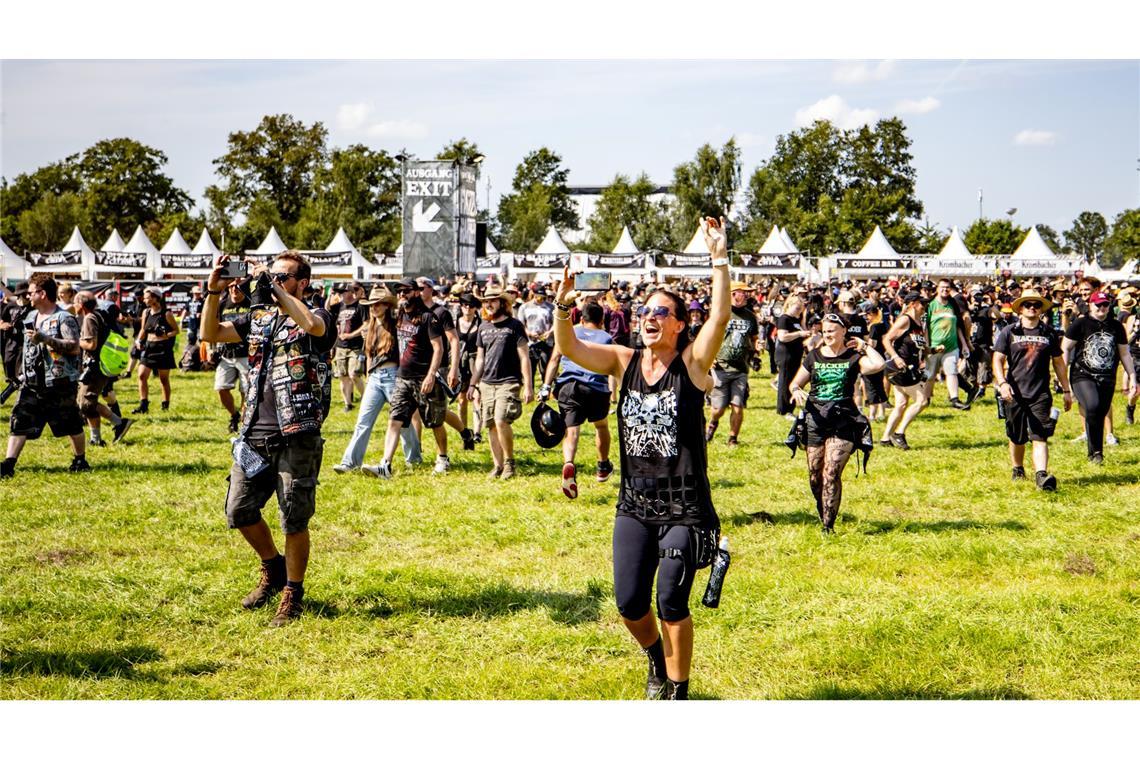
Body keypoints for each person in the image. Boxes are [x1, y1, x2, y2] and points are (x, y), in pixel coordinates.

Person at [552, 216, 730, 701]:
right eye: (644, 310)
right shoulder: (623, 361)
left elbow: (719, 319)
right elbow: (567, 345)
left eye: (661, 311)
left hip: (685, 506)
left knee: (671, 599)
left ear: (677, 324)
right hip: (635, 504)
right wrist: (564, 302)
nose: (649, 315)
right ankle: (655, 655)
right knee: (630, 604)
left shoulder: (692, 364)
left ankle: (679, 691)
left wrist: (719, 257)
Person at [201, 251, 336, 627]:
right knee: (238, 510)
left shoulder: (319, 314)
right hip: (254, 431)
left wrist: (273, 288)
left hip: (298, 432)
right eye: (272, 274)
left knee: (294, 516)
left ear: (302, 283)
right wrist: (213, 293)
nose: (273, 279)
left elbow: (311, 326)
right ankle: (272, 568)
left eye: (283, 276)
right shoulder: (258, 320)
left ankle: (293, 592)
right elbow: (210, 334)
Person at [788, 313, 885, 533]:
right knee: (815, 474)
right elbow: (795, 383)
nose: (827, 334)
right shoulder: (813, 356)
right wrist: (796, 391)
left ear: (844, 331)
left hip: (843, 419)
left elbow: (878, 365)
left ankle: (827, 527)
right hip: (815, 418)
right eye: (824, 331)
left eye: (831, 330)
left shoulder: (853, 356)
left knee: (831, 472)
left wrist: (865, 345)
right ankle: (823, 509)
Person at [1, 274, 89, 479]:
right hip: (32, 381)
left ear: (43, 294)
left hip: (58, 382)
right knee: (19, 419)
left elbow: (74, 347)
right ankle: (8, 464)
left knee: (70, 422)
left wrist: (46, 338)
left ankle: (80, 459)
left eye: (32, 293)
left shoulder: (63, 318)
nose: (28, 296)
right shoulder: (30, 317)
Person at [362, 279, 444, 480]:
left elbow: (439, 348)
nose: (402, 295)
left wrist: (432, 374)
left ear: (416, 292)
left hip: (423, 377)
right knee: (394, 420)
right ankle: (385, 465)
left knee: (434, 422)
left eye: (406, 291)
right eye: (399, 292)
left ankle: (442, 457)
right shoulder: (399, 317)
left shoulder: (428, 317)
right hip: (402, 378)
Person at [992, 288, 1072, 491]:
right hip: (1014, 393)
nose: (1032, 308)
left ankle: (1041, 476)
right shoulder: (1009, 331)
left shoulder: (1049, 333)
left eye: (1037, 305)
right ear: (1020, 308)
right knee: (1017, 437)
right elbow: (998, 359)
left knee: (1040, 435)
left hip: (1040, 393)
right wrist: (1002, 383)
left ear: (1041, 310)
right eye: (1028, 304)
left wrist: (1066, 390)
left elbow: (1058, 362)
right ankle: (1018, 467)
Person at [335, 285, 421, 473]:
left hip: (393, 376)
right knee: (363, 421)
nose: (373, 308)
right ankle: (349, 462)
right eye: (371, 304)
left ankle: (414, 457)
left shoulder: (396, 323)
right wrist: (368, 376)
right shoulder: (370, 326)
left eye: (378, 304)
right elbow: (368, 354)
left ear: (386, 306)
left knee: (402, 420)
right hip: (375, 377)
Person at [540, 300, 614, 499]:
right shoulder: (606, 338)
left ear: (581, 318)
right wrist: (615, 392)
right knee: (601, 426)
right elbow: (611, 367)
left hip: (568, 386)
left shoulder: (569, 332)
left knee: (571, 430)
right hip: (595, 387)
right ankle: (602, 466)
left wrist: (546, 386)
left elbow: (554, 359)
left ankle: (569, 463)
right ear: (602, 320)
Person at [1061, 291, 1138, 464]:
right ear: (1090, 305)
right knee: (1093, 406)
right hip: (1082, 375)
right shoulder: (1081, 323)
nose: (1102, 308)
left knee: (1100, 412)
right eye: (1098, 305)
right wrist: (1062, 373)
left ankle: (1096, 452)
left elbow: (1124, 354)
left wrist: (1132, 378)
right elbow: (1065, 347)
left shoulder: (1116, 326)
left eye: (1105, 305)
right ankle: (1096, 452)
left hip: (1107, 377)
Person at [468, 285, 533, 480]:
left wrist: (528, 385)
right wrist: (473, 384)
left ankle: (509, 463)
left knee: (501, 420)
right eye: (486, 301)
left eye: (493, 300)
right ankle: (497, 465)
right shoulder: (483, 327)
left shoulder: (514, 325)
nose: (488, 304)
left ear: (502, 303)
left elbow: (524, 357)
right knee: (490, 425)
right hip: (487, 382)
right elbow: (480, 359)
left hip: (509, 381)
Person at [74, 291, 133, 446]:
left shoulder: (89, 318)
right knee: (87, 402)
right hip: (100, 365)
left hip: (95, 366)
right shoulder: (98, 315)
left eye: (75, 303)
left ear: (81, 304)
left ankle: (118, 423)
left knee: (86, 403)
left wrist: (76, 342)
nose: (74, 306)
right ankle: (97, 438)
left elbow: (91, 344)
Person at [705, 282, 759, 446]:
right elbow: (708, 336)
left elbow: (754, 338)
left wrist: (756, 351)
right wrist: (710, 357)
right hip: (721, 367)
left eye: (745, 294)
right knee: (718, 409)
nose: (741, 296)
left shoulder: (750, 316)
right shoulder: (721, 313)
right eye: (738, 293)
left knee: (738, 406)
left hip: (741, 368)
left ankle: (732, 438)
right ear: (731, 294)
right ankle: (713, 423)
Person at [880, 292, 930, 450]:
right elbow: (886, 339)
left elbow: (920, 347)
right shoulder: (905, 320)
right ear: (913, 304)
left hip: (909, 367)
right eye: (923, 304)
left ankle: (885, 438)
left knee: (901, 404)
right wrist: (895, 357)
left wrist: (933, 350)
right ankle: (899, 433)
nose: (925, 307)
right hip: (901, 368)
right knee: (922, 401)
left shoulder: (919, 323)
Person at [924, 278, 973, 410]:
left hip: (952, 346)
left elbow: (958, 327)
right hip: (934, 347)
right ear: (937, 289)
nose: (945, 290)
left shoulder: (953, 305)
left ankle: (955, 400)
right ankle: (925, 400)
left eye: (947, 287)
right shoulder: (930, 305)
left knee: (951, 372)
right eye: (942, 287)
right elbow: (925, 327)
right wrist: (928, 347)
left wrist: (964, 344)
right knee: (930, 375)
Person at [213, 279, 252, 433]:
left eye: (237, 287)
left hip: (247, 354)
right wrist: (211, 348)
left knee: (246, 391)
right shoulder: (223, 304)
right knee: (221, 388)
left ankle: (244, 424)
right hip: (226, 354)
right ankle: (234, 415)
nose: (234, 290)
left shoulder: (250, 304)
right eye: (230, 287)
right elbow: (214, 326)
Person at [132, 287, 179, 413]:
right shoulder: (146, 312)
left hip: (163, 349)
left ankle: (165, 405)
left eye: (147, 297)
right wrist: (138, 341)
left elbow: (176, 330)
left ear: (155, 298)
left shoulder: (166, 314)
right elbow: (143, 329)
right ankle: (143, 405)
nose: (144, 300)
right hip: (149, 348)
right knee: (141, 375)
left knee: (163, 379)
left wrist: (166, 335)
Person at [331, 281, 367, 411]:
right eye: (338, 292)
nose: (339, 295)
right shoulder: (338, 306)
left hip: (355, 347)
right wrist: (331, 294)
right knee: (342, 376)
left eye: (342, 292)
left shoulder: (360, 306)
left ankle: (365, 399)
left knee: (354, 374)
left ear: (350, 292)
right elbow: (327, 309)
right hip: (341, 346)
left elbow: (366, 324)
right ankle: (348, 404)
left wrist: (351, 335)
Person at [774, 295, 809, 417]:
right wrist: (799, 334)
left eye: (801, 308)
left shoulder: (796, 320)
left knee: (794, 379)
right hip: (785, 354)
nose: (799, 310)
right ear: (789, 305)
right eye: (797, 308)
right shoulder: (784, 319)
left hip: (796, 354)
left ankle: (791, 407)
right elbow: (782, 336)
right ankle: (784, 410)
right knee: (785, 381)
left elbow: (805, 333)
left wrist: (803, 319)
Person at [455, 293, 483, 443]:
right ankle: (464, 430)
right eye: (465, 305)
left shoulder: (480, 323)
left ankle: (477, 432)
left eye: (471, 305)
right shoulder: (455, 322)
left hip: (475, 361)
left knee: (477, 396)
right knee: (462, 399)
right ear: (461, 306)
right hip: (460, 362)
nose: (468, 308)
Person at [519, 284, 555, 387]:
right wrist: (529, 333)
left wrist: (549, 332)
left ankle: (546, 388)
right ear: (533, 295)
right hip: (530, 342)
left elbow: (555, 323)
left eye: (543, 297)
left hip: (546, 341)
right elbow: (521, 324)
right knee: (530, 367)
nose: (541, 299)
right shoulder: (524, 307)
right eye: (539, 296)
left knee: (546, 367)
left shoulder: (550, 307)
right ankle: (529, 388)